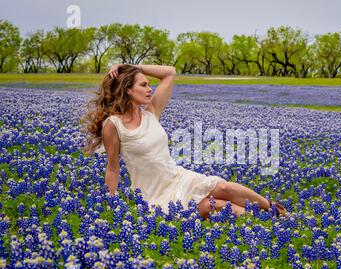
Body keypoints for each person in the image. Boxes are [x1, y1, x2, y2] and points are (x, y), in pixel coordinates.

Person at [81, 63, 286, 219]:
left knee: (223, 188)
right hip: (153, 193)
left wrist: (133, 67)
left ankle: (273, 210)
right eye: (143, 85)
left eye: (149, 84)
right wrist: (110, 204)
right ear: (127, 89)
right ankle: (261, 219)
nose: (149, 88)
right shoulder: (114, 124)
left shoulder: (152, 112)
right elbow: (113, 168)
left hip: (178, 177)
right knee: (212, 205)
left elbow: (169, 72)